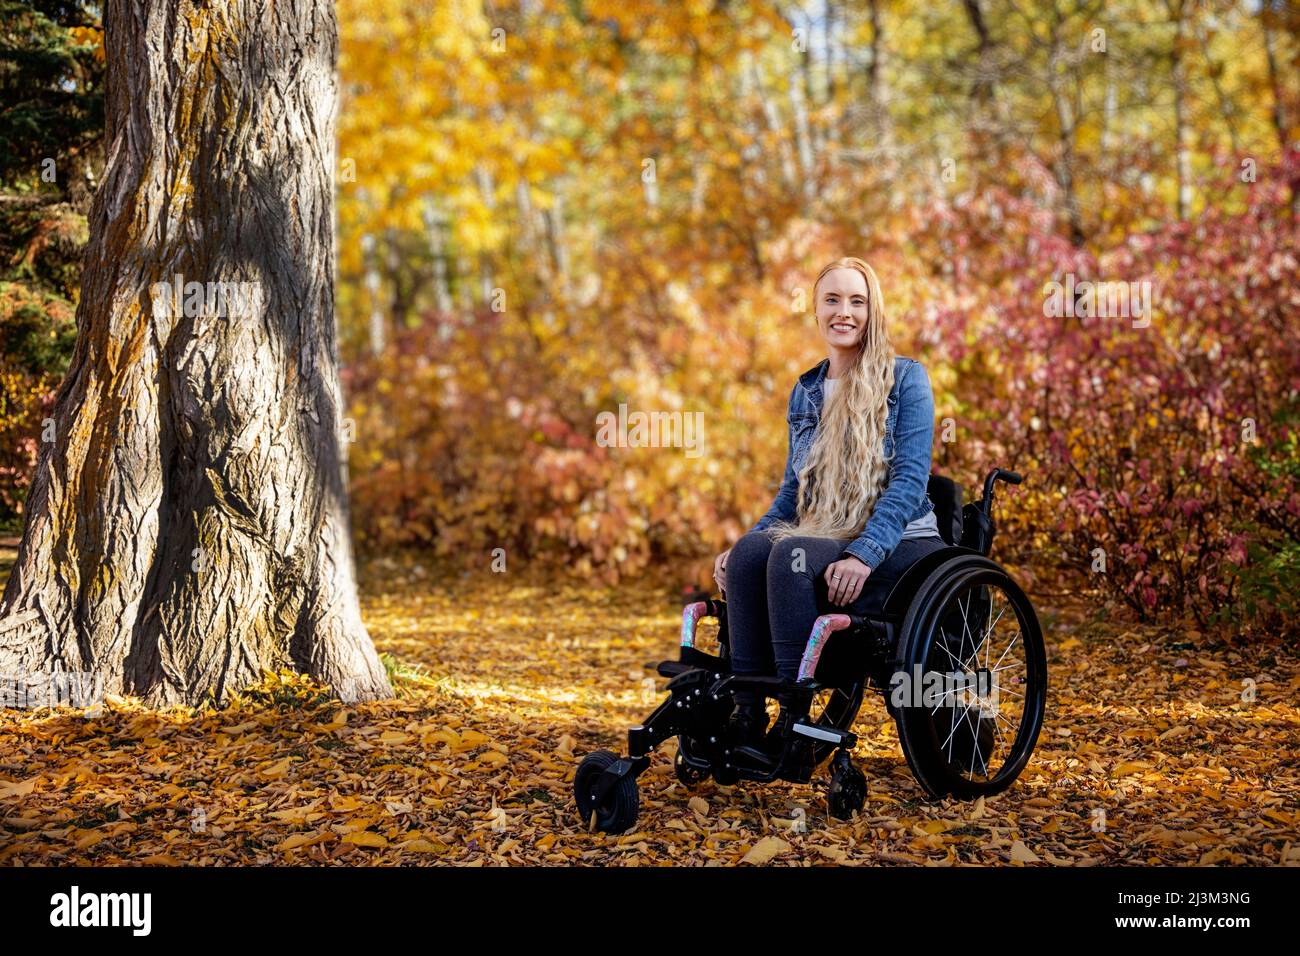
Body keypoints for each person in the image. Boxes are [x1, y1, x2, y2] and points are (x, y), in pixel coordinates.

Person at [712, 256, 946, 764]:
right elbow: (792, 495)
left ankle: (797, 722)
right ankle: (747, 716)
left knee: (790, 554)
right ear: (816, 311)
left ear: (872, 310)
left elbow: (908, 483)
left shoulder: (905, 379)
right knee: (755, 552)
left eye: (857, 301)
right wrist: (738, 545)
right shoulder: (807, 390)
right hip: (827, 532)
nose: (845, 312)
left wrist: (863, 555)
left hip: (902, 543)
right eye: (833, 300)